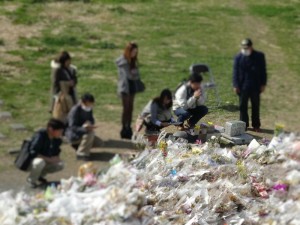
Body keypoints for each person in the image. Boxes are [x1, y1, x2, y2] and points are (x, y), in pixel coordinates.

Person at [233, 38, 267, 132]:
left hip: (255, 86)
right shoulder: (238, 57)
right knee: (243, 107)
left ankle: (256, 125)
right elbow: (235, 72)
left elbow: (263, 71)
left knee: (255, 106)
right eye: (244, 47)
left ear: (251, 47)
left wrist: (263, 84)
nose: (245, 49)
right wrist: (235, 85)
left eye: (247, 47)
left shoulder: (259, 56)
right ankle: (244, 125)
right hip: (242, 86)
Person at [26, 118, 65, 188]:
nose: (60, 133)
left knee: (60, 164)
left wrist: (56, 158)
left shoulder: (57, 140)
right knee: (40, 162)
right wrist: (49, 159)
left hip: (45, 160)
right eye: (59, 131)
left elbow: (56, 153)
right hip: (31, 161)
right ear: (51, 129)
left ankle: (39, 176)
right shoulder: (40, 135)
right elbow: (33, 152)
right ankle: (31, 180)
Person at [116, 42, 142, 139]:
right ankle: (124, 128)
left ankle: (128, 128)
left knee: (130, 108)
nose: (134, 54)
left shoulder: (133, 60)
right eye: (133, 52)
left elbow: (136, 74)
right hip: (125, 88)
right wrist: (134, 73)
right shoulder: (123, 61)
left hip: (132, 87)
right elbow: (129, 75)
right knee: (126, 109)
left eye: (136, 52)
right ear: (128, 51)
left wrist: (134, 73)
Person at [65, 93, 97, 160]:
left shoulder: (89, 109)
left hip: (83, 132)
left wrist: (90, 123)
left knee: (99, 143)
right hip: (73, 135)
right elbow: (72, 127)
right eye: (89, 103)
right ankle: (81, 154)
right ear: (83, 102)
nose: (91, 105)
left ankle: (79, 145)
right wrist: (84, 129)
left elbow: (91, 119)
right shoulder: (75, 110)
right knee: (90, 134)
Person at [50, 51, 78, 122]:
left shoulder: (71, 69)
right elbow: (55, 83)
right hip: (61, 96)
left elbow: (74, 78)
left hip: (70, 94)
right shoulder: (57, 70)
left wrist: (73, 82)